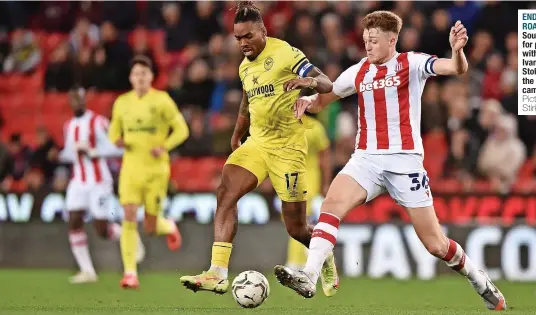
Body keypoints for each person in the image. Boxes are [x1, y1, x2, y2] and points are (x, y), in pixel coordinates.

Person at [274, 11, 507, 311]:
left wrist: (458, 52)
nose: (368, 46)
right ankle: (309, 274)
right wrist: (308, 100)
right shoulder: (358, 72)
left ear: (391, 39)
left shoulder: (411, 63)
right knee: (331, 205)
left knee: (435, 244)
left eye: (373, 40)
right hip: (366, 159)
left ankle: (478, 278)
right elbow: (323, 100)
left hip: (405, 163)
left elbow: (454, 69)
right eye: (365, 40)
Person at [179, 1, 339, 297]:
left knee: (296, 228)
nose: (242, 43)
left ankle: (324, 254)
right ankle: (217, 272)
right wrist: (238, 133)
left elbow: (327, 83)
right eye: (238, 38)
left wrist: (307, 81)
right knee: (226, 192)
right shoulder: (244, 67)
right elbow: (246, 101)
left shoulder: (286, 52)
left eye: (248, 36)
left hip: (288, 149)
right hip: (258, 142)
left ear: (263, 31)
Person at [108, 55, 189, 289]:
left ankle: (169, 226)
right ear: (131, 78)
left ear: (151, 77)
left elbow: (182, 130)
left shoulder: (162, 100)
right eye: (136, 74)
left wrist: (164, 146)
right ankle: (130, 273)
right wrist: (118, 141)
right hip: (131, 169)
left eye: (144, 74)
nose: (140, 78)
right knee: (129, 216)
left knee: (150, 227)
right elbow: (113, 132)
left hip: (156, 170)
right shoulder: (121, 102)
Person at [59, 87, 145, 284]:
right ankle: (87, 271)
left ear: (84, 100)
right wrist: (61, 155)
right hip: (78, 181)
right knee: (74, 220)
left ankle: (129, 236)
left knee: (102, 229)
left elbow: (118, 148)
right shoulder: (69, 125)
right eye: (73, 99)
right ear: (69, 102)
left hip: (99, 182)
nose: (76, 102)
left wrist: (94, 151)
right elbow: (70, 153)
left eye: (79, 98)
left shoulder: (98, 122)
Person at [286, 113, 332, 270]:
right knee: (298, 222)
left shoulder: (311, 127)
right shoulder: (315, 127)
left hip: (307, 181)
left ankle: (296, 263)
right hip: (293, 181)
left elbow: (324, 157)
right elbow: (325, 156)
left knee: (300, 221)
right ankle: (312, 260)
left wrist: (325, 183)